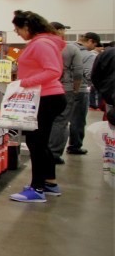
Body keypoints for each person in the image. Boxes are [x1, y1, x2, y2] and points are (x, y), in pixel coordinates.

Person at [9, 10, 67, 203]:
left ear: (27, 27)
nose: (17, 33)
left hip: (46, 97)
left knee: (36, 143)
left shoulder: (42, 44)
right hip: (46, 97)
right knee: (40, 142)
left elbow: (53, 71)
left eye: (18, 29)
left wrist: (25, 83)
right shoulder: (43, 42)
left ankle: (37, 188)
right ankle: (49, 182)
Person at [47, 22, 85, 163]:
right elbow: (78, 71)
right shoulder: (70, 48)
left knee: (46, 121)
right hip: (65, 88)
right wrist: (76, 88)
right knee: (61, 121)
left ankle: (45, 149)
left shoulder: (43, 47)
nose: (64, 32)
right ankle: (54, 153)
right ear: (57, 31)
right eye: (63, 29)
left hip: (46, 88)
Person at [78, 32, 102, 110]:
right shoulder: (89, 55)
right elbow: (90, 74)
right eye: (95, 45)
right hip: (80, 89)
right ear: (90, 41)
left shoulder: (66, 49)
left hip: (62, 88)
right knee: (78, 120)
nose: (93, 48)